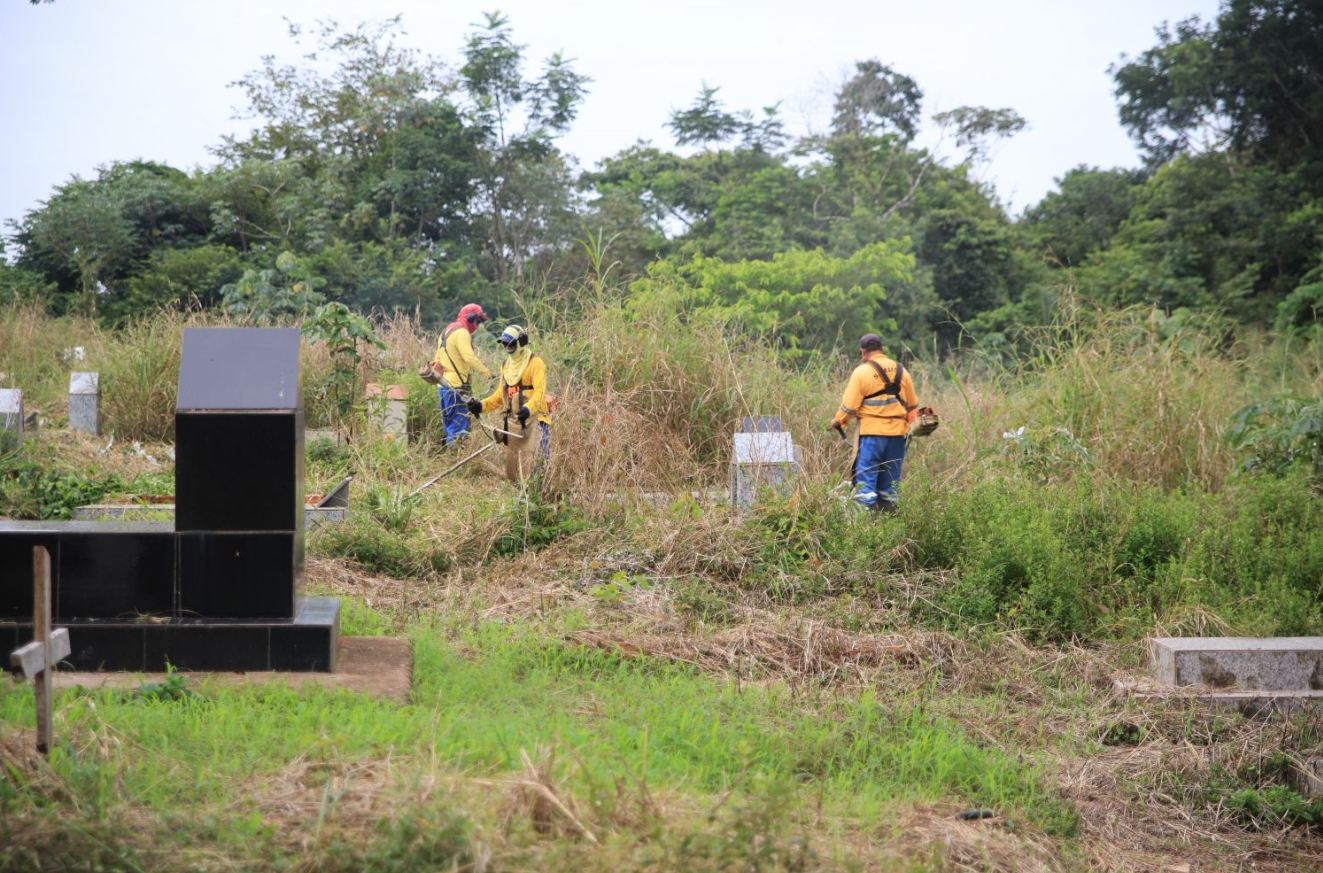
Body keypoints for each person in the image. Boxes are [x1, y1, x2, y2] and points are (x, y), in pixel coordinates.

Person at [829, 333, 920, 513]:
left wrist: (839, 421)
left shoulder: (862, 372)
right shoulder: (901, 370)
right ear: (882, 349)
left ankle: (865, 530)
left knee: (866, 485)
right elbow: (913, 407)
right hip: (896, 438)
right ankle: (889, 529)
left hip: (871, 437)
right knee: (890, 487)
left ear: (863, 352)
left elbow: (849, 407)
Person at [467, 324, 551, 482]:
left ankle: (541, 497)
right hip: (514, 422)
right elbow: (501, 395)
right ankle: (521, 496)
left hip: (536, 420)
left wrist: (528, 408)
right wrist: (481, 406)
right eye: (505, 344)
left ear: (521, 342)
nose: (508, 347)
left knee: (539, 462)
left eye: (511, 343)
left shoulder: (535, 363)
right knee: (516, 465)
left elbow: (540, 392)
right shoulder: (505, 366)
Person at [435, 303, 492, 445]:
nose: (477, 326)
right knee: (459, 427)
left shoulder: (446, 331)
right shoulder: (462, 332)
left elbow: (437, 359)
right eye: (477, 321)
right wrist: (487, 373)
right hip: (456, 387)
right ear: (470, 318)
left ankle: (450, 458)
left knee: (450, 427)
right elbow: (469, 358)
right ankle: (456, 459)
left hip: (442, 386)